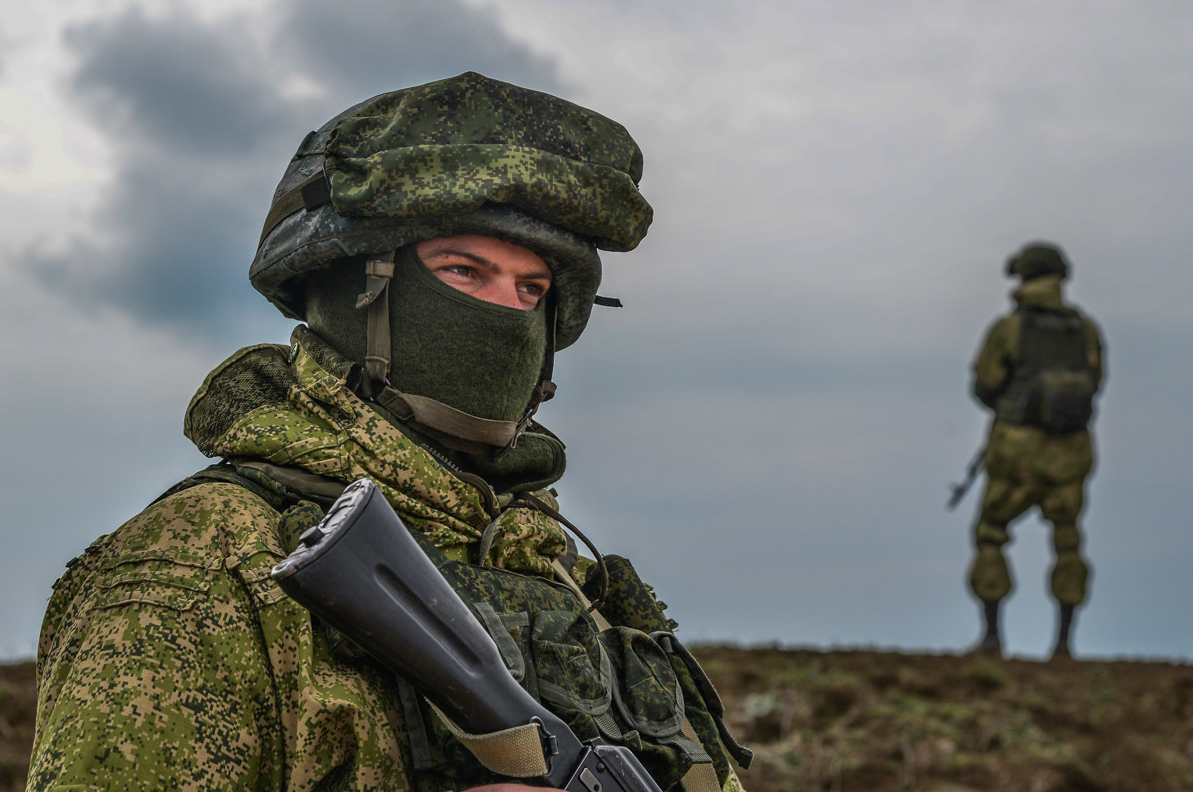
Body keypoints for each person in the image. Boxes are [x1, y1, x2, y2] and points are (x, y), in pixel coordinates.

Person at [28, 73, 750, 792]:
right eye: (464, 272)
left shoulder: (553, 566)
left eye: (532, 290)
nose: (507, 314)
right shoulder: (203, 558)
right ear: (356, 289)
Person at [966, 241, 1105, 660]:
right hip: (1072, 449)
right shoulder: (1086, 330)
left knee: (991, 533)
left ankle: (992, 638)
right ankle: (1064, 643)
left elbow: (985, 384)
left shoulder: (1008, 328)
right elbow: (1095, 383)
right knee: (1068, 540)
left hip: (1017, 447)